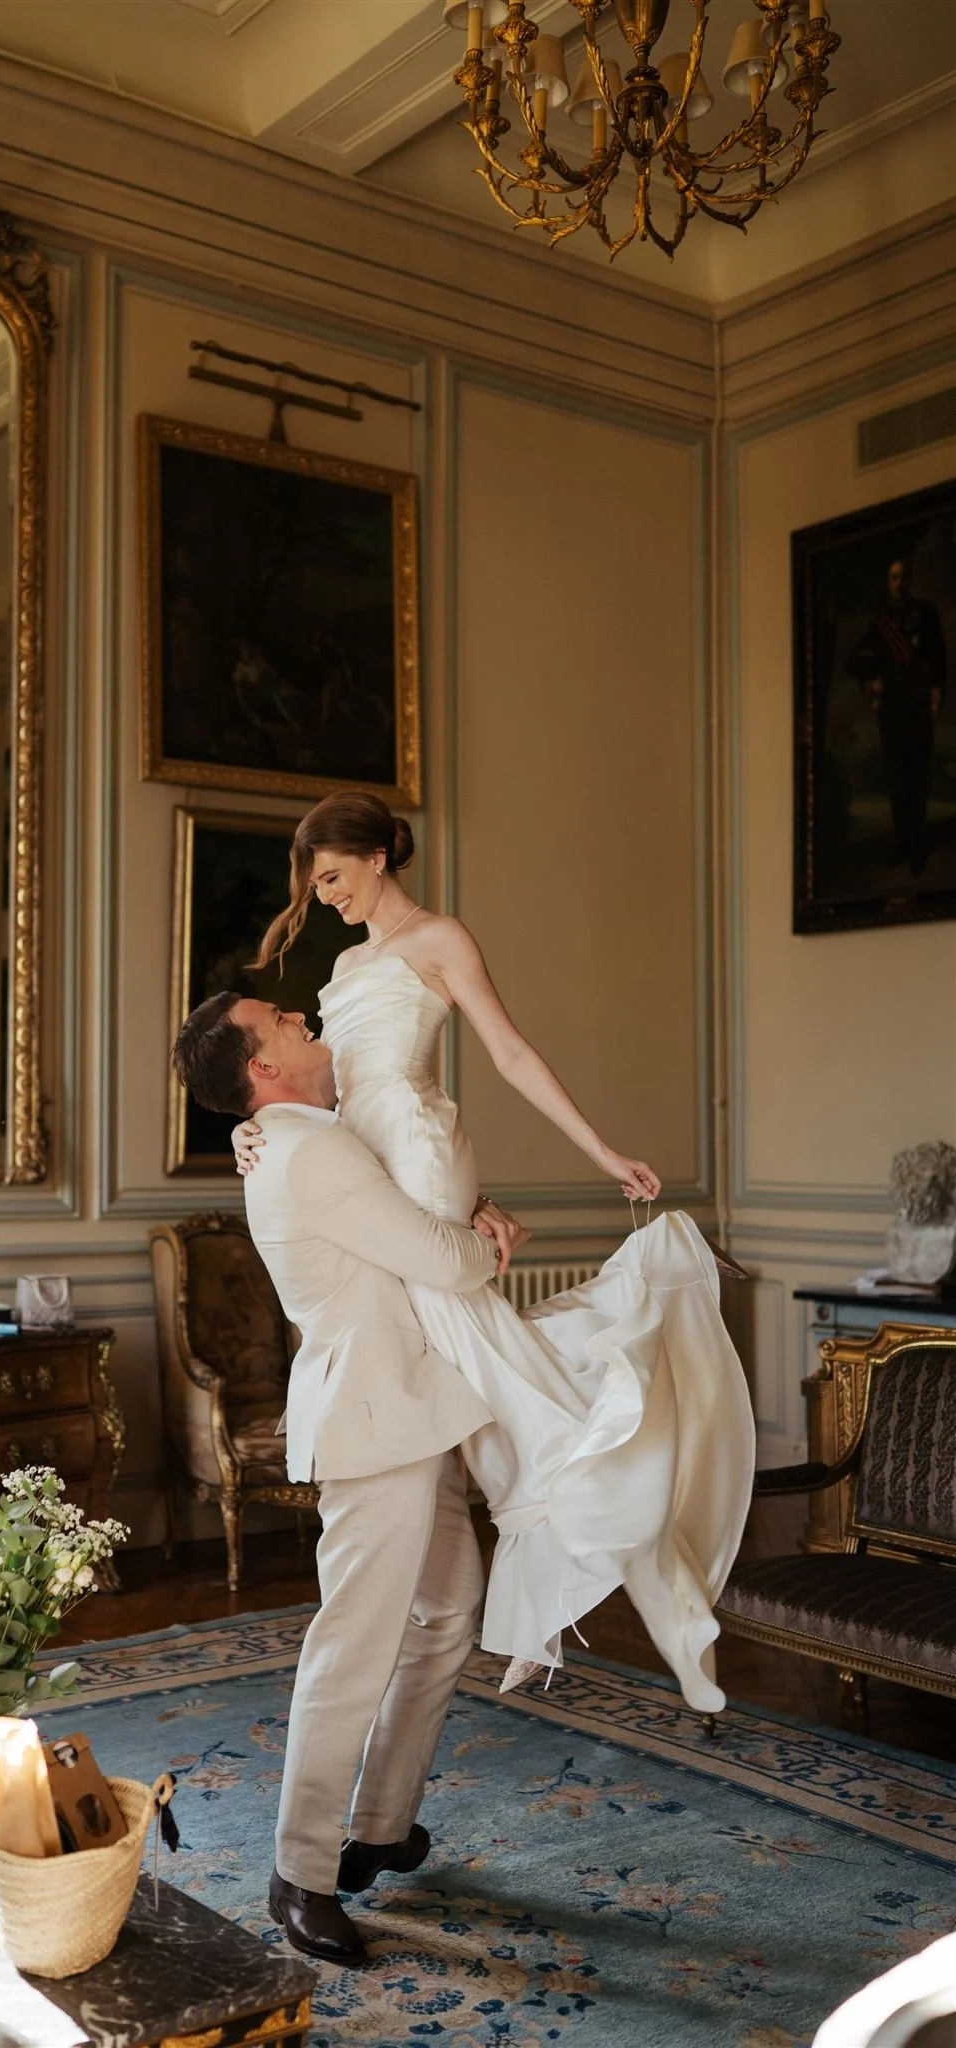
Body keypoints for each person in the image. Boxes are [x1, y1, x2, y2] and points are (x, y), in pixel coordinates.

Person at [235, 790, 755, 1714]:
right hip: (382, 1172)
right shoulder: (349, 961)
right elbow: (328, 1096)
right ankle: (618, 1602)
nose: (323, 900)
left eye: (331, 878)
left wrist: (599, 1152)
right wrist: (258, 1133)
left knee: (497, 1388)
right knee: (487, 1389)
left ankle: (595, 1597)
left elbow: (510, 1054)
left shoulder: (439, 940)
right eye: (313, 887)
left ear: (375, 858)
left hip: (420, 1161)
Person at [171, 991, 516, 1966]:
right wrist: (486, 1236)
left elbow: (416, 1222)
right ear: (262, 1069)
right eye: (277, 1018)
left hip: (411, 1406)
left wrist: (462, 1218)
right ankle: (300, 1873)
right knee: (353, 1644)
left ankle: (380, 1824)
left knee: (449, 1608)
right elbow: (441, 1260)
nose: (296, 1011)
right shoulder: (306, 1151)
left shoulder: (301, 1135)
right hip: (373, 1422)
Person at [845, 554, 947, 877]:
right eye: (893, 577)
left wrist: (935, 693)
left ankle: (918, 844)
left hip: (916, 707)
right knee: (896, 778)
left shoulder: (926, 614)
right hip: (892, 712)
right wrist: (870, 680)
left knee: (917, 776)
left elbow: (938, 657)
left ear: (910, 580)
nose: (899, 583)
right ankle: (902, 842)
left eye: (903, 576)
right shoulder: (881, 624)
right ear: (887, 583)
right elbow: (854, 661)